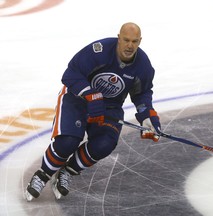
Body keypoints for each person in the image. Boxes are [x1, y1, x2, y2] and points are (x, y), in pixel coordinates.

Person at [25, 22, 161, 201]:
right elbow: (70, 74)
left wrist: (147, 116)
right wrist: (91, 95)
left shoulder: (143, 66)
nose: (130, 45)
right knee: (68, 141)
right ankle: (43, 174)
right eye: (126, 40)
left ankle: (67, 171)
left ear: (140, 41)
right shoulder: (99, 50)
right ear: (118, 38)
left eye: (134, 41)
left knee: (104, 144)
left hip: (109, 107)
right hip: (77, 99)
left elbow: (142, 93)